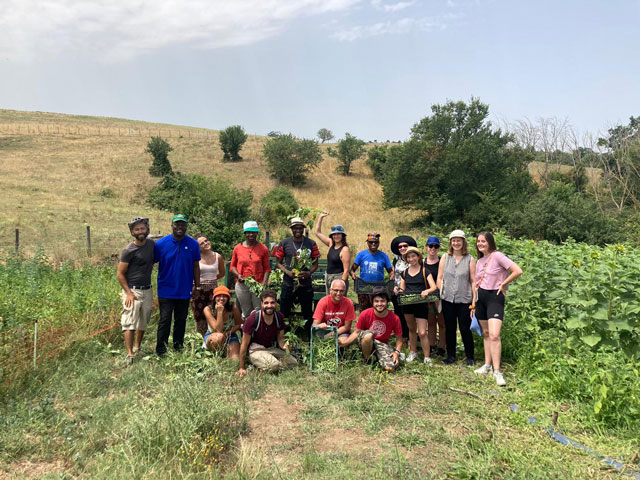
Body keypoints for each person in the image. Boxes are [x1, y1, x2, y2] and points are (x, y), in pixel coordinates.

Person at [473, 232, 523, 386]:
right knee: (486, 333)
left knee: (495, 334)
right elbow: (475, 284)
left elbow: (517, 270)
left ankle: (497, 371)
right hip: (480, 298)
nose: (481, 244)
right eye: (478, 241)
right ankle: (487, 365)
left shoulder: (498, 256)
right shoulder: (480, 261)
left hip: (495, 297)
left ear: (490, 242)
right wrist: (473, 303)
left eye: (484, 241)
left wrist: (503, 284)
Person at [154, 214, 201, 356]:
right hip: (166, 289)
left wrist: (197, 286)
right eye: (177, 224)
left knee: (181, 320)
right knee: (165, 320)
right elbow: (151, 263)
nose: (180, 227)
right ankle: (161, 350)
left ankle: (178, 347)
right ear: (172, 225)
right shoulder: (161, 244)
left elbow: (196, 267)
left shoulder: (193, 244)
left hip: (184, 289)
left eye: (183, 224)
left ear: (186, 226)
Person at [116, 217, 155, 366]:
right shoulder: (128, 250)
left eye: (142, 228)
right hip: (132, 290)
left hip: (147, 289)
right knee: (129, 322)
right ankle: (129, 354)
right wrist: (128, 293)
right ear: (132, 232)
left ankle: (137, 347)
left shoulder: (151, 245)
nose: (140, 232)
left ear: (147, 229)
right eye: (137, 229)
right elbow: (120, 273)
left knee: (143, 320)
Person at [437, 229, 476, 366]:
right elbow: (440, 277)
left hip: (464, 299)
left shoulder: (470, 259)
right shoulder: (445, 257)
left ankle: (470, 356)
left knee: (465, 328)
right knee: (450, 328)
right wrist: (438, 295)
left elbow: (473, 281)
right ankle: (451, 355)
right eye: (454, 240)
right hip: (448, 298)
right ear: (450, 242)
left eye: (459, 240)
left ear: (463, 242)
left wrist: (473, 301)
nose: (456, 243)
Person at [235, 289, 298, 375]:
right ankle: (258, 362)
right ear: (261, 304)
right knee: (273, 365)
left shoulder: (279, 317)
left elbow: (280, 340)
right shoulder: (253, 319)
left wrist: (286, 346)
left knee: (293, 363)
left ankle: (264, 364)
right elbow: (244, 344)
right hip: (254, 349)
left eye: (272, 303)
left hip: (270, 348)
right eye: (266, 303)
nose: (269, 306)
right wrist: (241, 367)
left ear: (276, 303)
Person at [341, 287, 403, 372]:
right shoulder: (365, 314)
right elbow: (356, 332)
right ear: (372, 302)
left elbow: (399, 339)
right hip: (365, 340)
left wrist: (397, 352)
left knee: (390, 368)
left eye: (382, 301)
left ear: (387, 302)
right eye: (376, 301)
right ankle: (368, 361)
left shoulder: (395, 318)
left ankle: (377, 357)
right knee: (369, 335)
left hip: (381, 343)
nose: (379, 304)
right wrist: (345, 343)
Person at [275, 217, 320, 332]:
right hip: (288, 283)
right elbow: (278, 263)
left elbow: (315, 264)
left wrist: (309, 273)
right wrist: (287, 272)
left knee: (307, 312)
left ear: (303, 229)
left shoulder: (311, 243)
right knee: (284, 311)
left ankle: (308, 336)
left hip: (306, 284)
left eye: (300, 228)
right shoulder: (285, 243)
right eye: (295, 228)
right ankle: (282, 334)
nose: (298, 230)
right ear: (292, 229)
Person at [398, 246, 438, 365]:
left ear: (418, 257)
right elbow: (402, 288)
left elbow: (434, 286)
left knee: (422, 332)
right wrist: (398, 290)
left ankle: (427, 356)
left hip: (421, 304)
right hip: (408, 304)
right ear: (406, 259)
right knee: (411, 329)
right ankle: (413, 351)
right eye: (409, 257)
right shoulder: (404, 273)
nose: (411, 259)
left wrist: (427, 291)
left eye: (413, 256)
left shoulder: (425, 271)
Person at [230, 221, 271, 319]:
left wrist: (264, 283)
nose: (251, 234)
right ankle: (247, 331)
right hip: (242, 284)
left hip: (258, 284)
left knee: (258, 309)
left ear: (257, 233)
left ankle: (258, 331)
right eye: (248, 232)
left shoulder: (263, 249)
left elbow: (267, 268)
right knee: (246, 310)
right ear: (245, 233)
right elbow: (232, 267)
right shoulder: (238, 248)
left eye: (253, 232)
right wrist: (238, 275)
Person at [191, 234, 225, 336]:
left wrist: (212, 280)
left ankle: (215, 338)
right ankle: (202, 340)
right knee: (199, 315)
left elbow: (222, 273)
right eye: (202, 243)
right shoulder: (195, 257)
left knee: (214, 313)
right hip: (198, 290)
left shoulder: (217, 256)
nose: (206, 243)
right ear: (198, 247)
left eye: (206, 241)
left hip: (213, 290)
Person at [350, 232, 394, 311]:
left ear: (378, 243)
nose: (373, 244)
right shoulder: (361, 255)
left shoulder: (383, 256)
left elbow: (390, 271)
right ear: (367, 243)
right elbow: (352, 269)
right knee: (364, 310)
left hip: (379, 287)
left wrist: (392, 275)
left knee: (378, 309)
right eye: (371, 242)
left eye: (376, 242)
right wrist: (353, 274)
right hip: (364, 287)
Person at [314, 212, 351, 294]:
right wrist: (320, 217)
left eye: (338, 234)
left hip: (338, 277)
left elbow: (346, 270)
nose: (336, 236)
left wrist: (341, 285)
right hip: (328, 276)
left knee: (338, 301)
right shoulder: (331, 244)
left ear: (342, 236)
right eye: (334, 234)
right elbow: (318, 233)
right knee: (330, 301)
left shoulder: (345, 249)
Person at [202, 286, 243, 360]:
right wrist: (219, 312)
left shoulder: (233, 307)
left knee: (235, 359)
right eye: (219, 296)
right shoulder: (208, 309)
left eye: (224, 296)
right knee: (219, 337)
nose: (221, 298)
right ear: (214, 297)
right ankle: (214, 353)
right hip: (213, 335)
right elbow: (218, 331)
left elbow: (238, 324)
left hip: (230, 335)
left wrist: (227, 334)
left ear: (228, 298)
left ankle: (225, 351)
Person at [390, 235, 417, 345]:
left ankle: (413, 338)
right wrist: (395, 286)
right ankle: (403, 337)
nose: (402, 248)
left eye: (405, 246)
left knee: (412, 316)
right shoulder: (396, 259)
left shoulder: (414, 258)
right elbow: (395, 275)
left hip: (410, 291)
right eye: (400, 246)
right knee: (399, 315)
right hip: (398, 291)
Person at [312, 279, 355, 343]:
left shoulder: (349, 303)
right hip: (325, 331)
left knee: (342, 342)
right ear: (330, 290)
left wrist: (331, 334)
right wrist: (319, 326)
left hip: (341, 331)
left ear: (345, 291)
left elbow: (347, 327)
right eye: (336, 290)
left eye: (341, 291)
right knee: (320, 342)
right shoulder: (323, 302)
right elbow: (315, 324)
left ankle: (341, 350)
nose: (338, 293)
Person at [425, 236, 446, 357]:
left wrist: (439, 296)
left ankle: (442, 347)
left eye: (435, 246)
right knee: (431, 322)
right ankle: (432, 345)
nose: (433, 248)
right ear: (426, 247)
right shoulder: (422, 262)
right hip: (428, 297)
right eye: (430, 246)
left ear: (438, 248)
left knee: (442, 323)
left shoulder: (442, 261)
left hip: (442, 295)